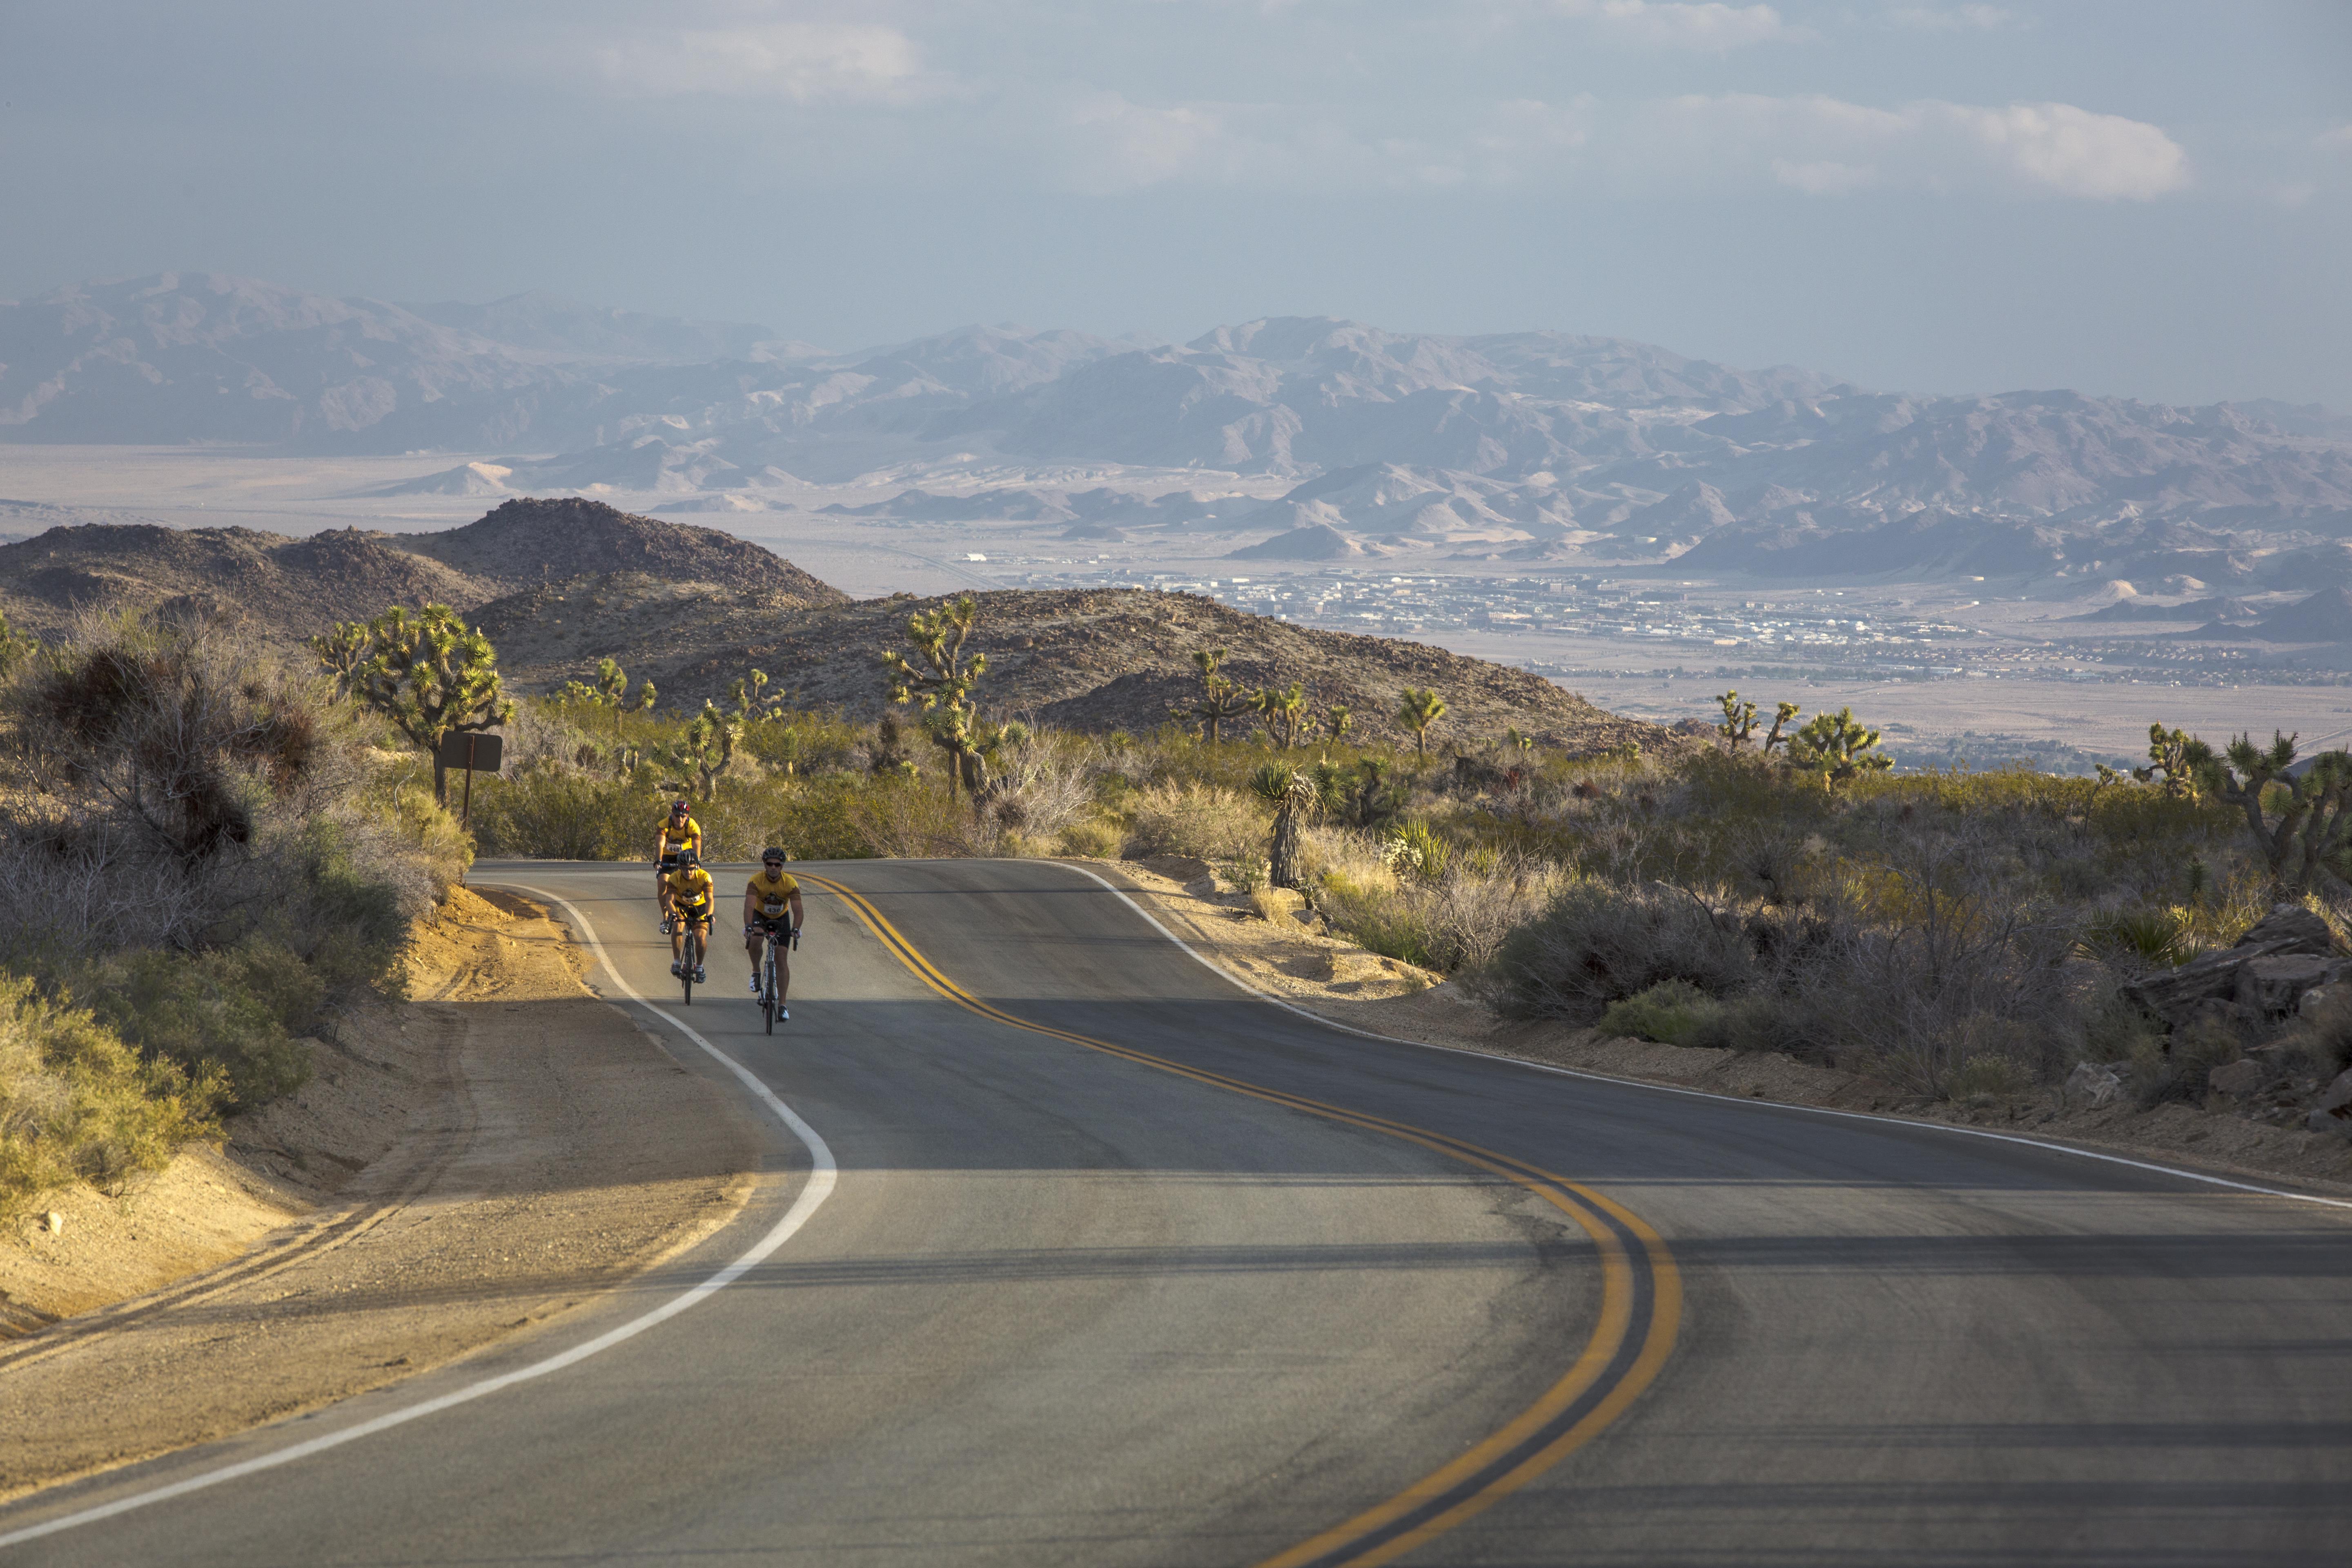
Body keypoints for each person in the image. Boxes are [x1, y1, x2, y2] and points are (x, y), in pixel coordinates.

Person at [743, 849, 805, 1017]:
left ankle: (783, 1005)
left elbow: (798, 911)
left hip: (781, 918)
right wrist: (748, 925)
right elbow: (749, 907)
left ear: (782, 866)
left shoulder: (790, 884)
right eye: (769, 864)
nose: (773, 868)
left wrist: (796, 929)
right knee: (756, 937)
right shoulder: (756, 881)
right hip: (760, 915)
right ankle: (756, 971)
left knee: (781, 957)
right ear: (764, 864)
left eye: (777, 865)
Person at [659, 847, 716, 980]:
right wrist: (673, 914)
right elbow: (670, 901)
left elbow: (710, 899)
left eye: (691, 868)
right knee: (678, 927)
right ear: (680, 868)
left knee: (700, 938)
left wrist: (709, 915)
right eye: (685, 869)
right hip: (681, 907)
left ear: (696, 866)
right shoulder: (674, 878)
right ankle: (677, 962)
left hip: (700, 909)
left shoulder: (704, 877)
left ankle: (700, 967)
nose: (689, 872)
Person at [655, 800, 702, 924]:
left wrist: (697, 862)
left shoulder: (692, 826)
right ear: (672, 815)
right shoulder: (664, 824)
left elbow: (697, 845)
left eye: (683, 817)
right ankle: (666, 916)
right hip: (668, 857)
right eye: (677, 816)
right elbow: (660, 844)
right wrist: (659, 860)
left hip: (686, 857)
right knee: (662, 883)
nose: (680, 820)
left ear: (687, 816)